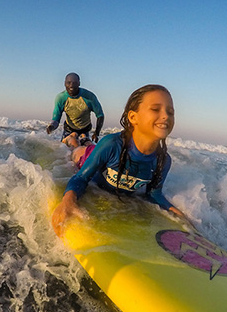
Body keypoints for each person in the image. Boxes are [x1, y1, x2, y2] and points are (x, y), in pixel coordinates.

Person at [52, 84, 186, 234]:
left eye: (170, 112)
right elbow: (81, 178)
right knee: (77, 151)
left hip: (102, 152)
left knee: (91, 144)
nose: (165, 116)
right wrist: (68, 200)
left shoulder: (163, 161)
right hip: (88, 157)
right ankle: (73, 139)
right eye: (155, 109)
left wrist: (180, 217)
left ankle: (85, 139)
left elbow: (154, 194)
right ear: (133, 117)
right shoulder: (111, 144)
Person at [47, 73, 104, 143]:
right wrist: (52, 127)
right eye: (69, 83)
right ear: (64, 83)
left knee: (84, 152)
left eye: (74, 83)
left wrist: (97, 133)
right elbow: (56, 117)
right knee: (65, 151)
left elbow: (100, 115)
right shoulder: (61, 98)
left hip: (85, 130)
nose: (71, 86)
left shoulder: (89, 97)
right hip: (69, 129)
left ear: (79, 83)